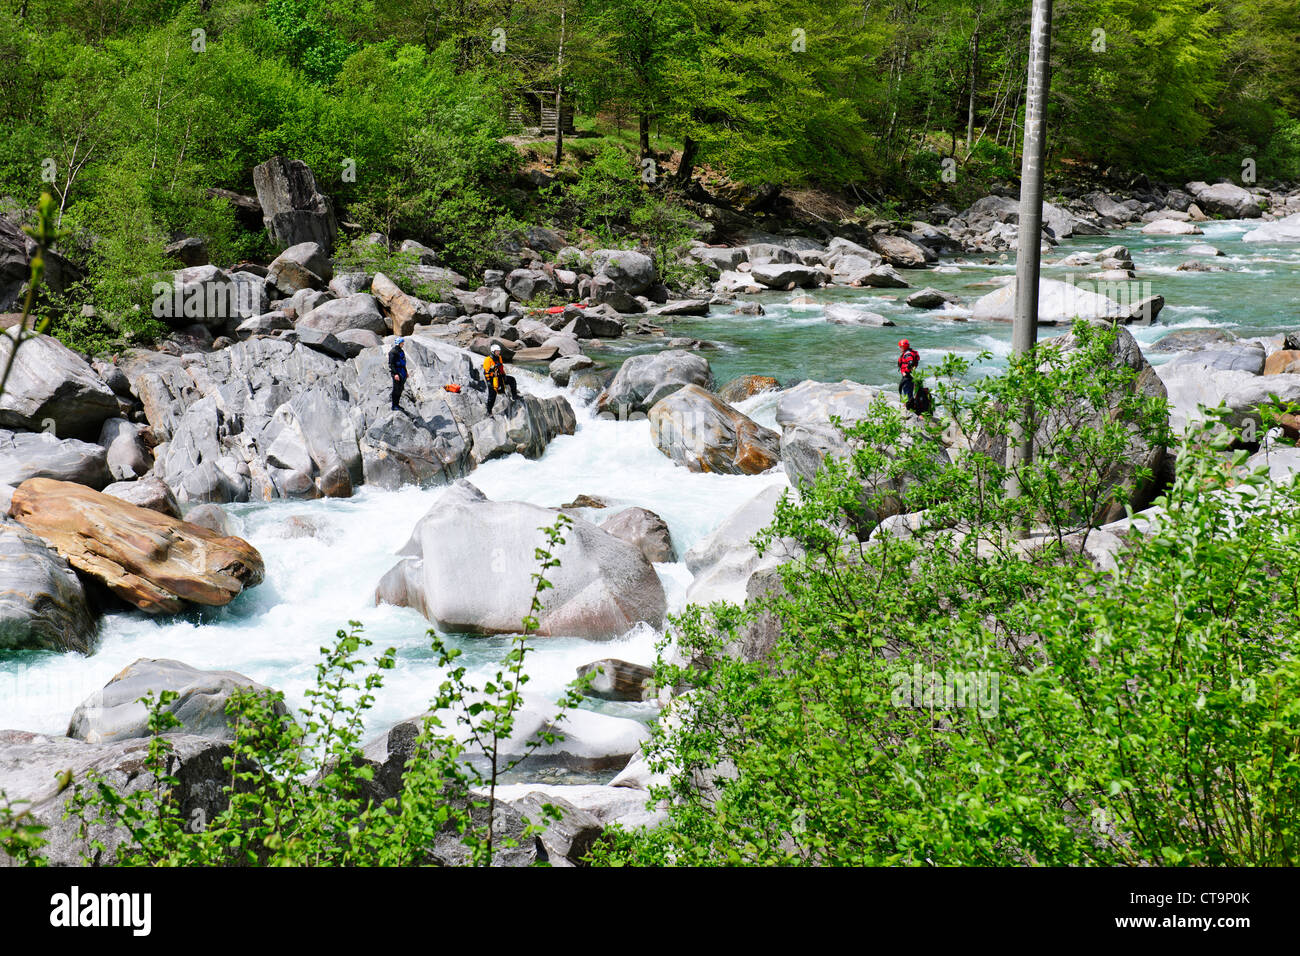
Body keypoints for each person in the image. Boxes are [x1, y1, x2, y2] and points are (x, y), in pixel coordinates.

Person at [483, 343, 518, 414]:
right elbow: (486, 372)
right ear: (493, 351)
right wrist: (489, 382)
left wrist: (504, 375)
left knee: (512, 380)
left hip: (500, 376)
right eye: (497, 351)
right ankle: (489, 411)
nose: (498, 352)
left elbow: (501, 368)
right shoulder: (488, 360)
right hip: (492, 379)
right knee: (492, 395)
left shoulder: (499, 358)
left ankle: (514, 396)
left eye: (499, 351)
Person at [897, 338, 920, 404]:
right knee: (907, 389)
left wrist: (906, 372)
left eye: (900, 347)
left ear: (903, 347)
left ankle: (908, 405)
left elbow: (911, 363)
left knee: (907, 390)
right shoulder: (908, 352)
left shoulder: (907, 354)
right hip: (910, 374)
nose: (899, 348)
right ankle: (909, 403)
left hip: (908, 375)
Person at [388, 336, 408, 411]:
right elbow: (391, 364)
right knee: (396, 389)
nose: (403, 344)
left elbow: (403, 362)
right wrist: (395, 374)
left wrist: (406, 372)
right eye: (402, 343)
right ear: (399, 343)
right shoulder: (392, 352)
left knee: (400, 389)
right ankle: (394, 406)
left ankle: (397, 404)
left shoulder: (401, 351)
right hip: (396, 373)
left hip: (402, 372)